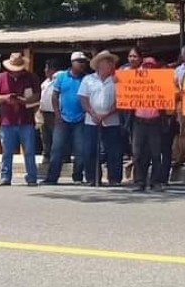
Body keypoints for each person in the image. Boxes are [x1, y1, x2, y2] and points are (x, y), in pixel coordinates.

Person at [0, 53, 41, 186]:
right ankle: (5, 177)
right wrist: (6, 98)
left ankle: (31, 177)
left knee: (29, 151)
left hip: (26, 120)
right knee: (6, 152)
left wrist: (24, 101)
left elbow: (37, 95)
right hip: (7, 120)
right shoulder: (2, 77)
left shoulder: (31, 77)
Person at [42, 52, 88, 185]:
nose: (82, 64)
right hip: (63, 118)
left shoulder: (86, 78)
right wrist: (57, 113)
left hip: (80, 118)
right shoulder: (61, 76)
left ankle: (78, 176)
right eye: (79, 61)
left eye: (83, 61)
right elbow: (55, 95)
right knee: (56, 149)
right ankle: (52, 177)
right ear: (72, 62)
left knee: (80, 150)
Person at [79, 50, 123, 186]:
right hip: (91, 120)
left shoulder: (117, 80)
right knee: (89, 150)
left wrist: (107, 113)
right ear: (99, 65)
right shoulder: (88, 79)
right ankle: (92, 178)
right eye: (107, 62)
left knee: (114, 151)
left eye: (111, 62)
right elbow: (83, 98)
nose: (111, 64)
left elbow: (121, 100)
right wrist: (93, 113)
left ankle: (114, 179)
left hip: (112, 120)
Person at [131, 57, 166, 192]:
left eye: (151, 66)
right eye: (146, 66)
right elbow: (125, 90)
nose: (149, 68)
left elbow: (169, 96)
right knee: (138, 153)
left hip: (155, 122)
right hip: (139, 122)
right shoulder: (135, 80)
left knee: (156, 154)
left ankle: (155, 182)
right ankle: (140, 181)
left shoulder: (160, 81)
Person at [38, 59, 60, 163]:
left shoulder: (59, 79)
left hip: (55, 113)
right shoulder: (45, 83)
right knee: (45, 136)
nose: (44, 70)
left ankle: (58, 156)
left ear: (52, 69)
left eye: (47, 68)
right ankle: (46, 155)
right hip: (44, 112)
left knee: (56, 136)